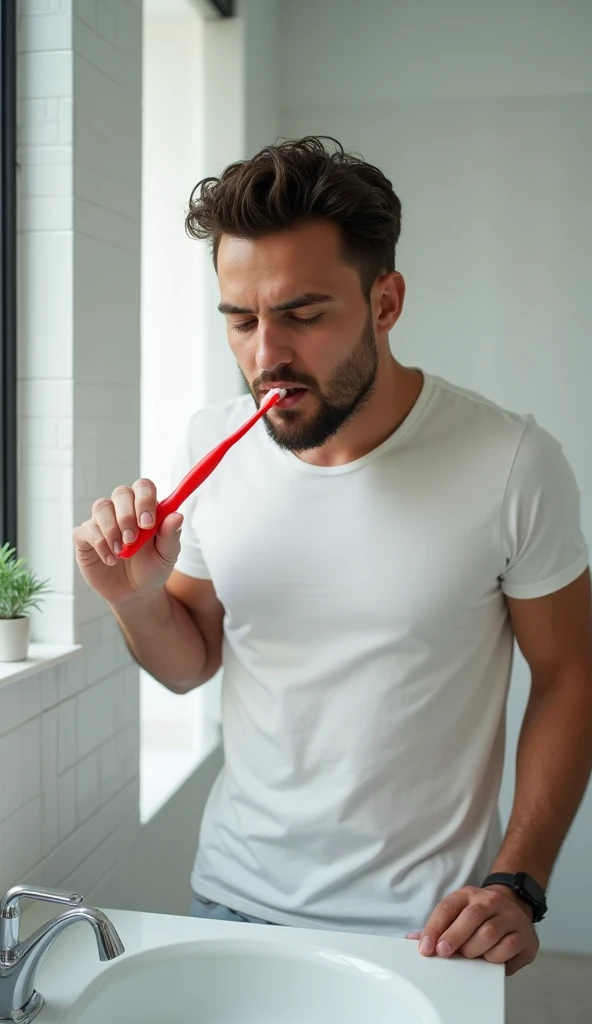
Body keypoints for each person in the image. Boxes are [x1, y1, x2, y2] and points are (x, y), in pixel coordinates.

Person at [73, 137, 592, 976]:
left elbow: (572, 672)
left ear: (385, 301)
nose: (265, 356)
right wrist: (136, 600)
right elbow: (190, 662)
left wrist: (519, 881)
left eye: (303, 315)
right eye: (240, 320)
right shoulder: (211, 443)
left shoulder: (511, 462)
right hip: (228, 902)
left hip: (430, 931)